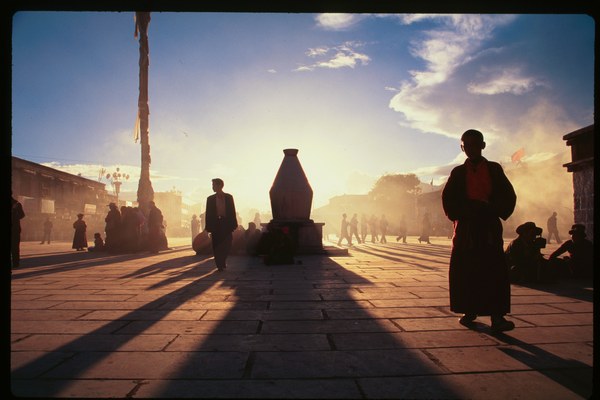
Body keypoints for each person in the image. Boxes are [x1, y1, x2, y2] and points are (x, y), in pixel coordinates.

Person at [442, 129, 517, 333]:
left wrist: (490, 207)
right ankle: (469, 310)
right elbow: (448, 200)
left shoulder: (494, 169)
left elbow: (507, 195)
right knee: (466, 271)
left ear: (483, 146)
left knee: (493, 271)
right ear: (462, 148)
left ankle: (497, 317)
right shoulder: (458, 172)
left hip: (488, 228)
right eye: (467, 146)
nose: (471, 149)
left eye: (475, 145)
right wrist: (469, 208)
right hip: (466, 228)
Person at [205, 178, 238, 271]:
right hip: (216, 224)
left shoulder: (229, 197)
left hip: (226, 223)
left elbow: (232, 211)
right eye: (212, 185)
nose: (212, 187)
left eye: (214, 185)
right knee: (216, 244)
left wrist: (234, 224)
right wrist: (208, 227)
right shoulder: (210, 199)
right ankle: (219, 264)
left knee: (227, 243)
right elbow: (208, 214)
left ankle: (222, 260)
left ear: (220, 186)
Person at [11, 196, 26, 269]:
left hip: (15, 229)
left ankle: (15, 263)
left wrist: (14, 212)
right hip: (15, 229)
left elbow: (22, 215)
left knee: (15, 247)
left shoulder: (17, 204)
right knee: (14, 247)